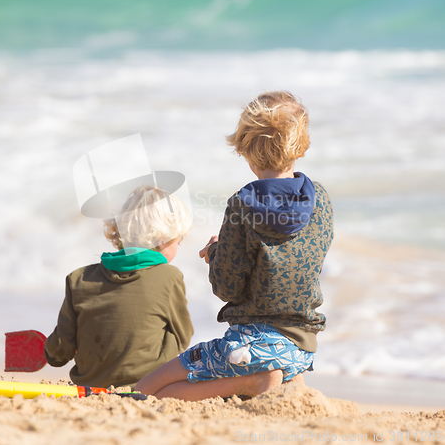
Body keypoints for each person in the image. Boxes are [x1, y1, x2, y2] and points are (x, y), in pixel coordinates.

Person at [136, 91, 334, 401]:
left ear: (245, 148)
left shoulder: (243, 204)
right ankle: (283, 379)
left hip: (250, 347)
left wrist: (216, 252)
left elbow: (227, 287)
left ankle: (256, 383)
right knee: (251, 365)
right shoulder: (320, 199)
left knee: (150, 388)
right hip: (303, 349)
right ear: (301, 144)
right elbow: (301, 255)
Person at [44, 185, 194, 389]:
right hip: (145, 386)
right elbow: (183, 337)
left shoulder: (78, 279)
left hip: (88, 386)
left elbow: (59, 355)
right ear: (162, 240)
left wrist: (51, 349)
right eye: (178, 243)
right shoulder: (170, 276)